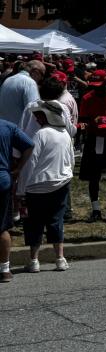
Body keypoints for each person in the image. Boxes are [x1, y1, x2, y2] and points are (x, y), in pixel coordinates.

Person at [18, 99, 73, 272]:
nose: (36, 118)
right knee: (57, 220)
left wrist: (20, 190)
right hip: (61, 183)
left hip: (37, 186)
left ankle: (34, 260)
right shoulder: (65, 134)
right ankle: (60, 258)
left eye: (39, 115)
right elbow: (70, 160)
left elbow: (30, 163)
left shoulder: (41, 134)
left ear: (46, 116)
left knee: (34, 222)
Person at [77, 70, 106, 222]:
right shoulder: (87, 98)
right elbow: (82, 120)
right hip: (95, 138)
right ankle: (95, 209)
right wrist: (90, 124)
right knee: (93, 175)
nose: (96, 89)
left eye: (99, 86)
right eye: (93, 86)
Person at [0, 116, 34, 281]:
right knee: (2, 227)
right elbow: (29, 145)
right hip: (2, 179)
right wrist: (19, 168)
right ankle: (5, 269)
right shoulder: (8, 126)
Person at [0, 59, 43, 126]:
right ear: (35, 71)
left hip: (4, 127)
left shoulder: (8, 79)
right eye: (42, 74)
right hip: (17, 130)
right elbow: (33, 111)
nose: (41, 78)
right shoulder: (30, 82)